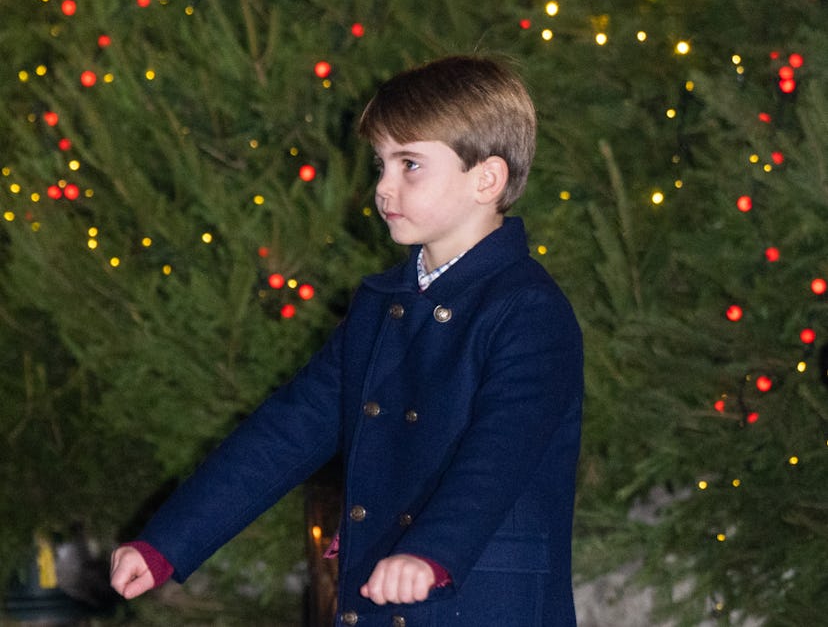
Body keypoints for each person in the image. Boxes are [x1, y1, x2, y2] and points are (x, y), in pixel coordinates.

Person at [110, 55, 583, 626]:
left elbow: (500, 452)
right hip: (382, 595)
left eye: (409, 165)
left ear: (486, 178)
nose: (383, 187)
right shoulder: (382, 307)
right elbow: (287, 430)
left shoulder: (528, 309)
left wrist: (431, 552)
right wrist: (168, 544)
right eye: (380, 164)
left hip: (479, 599)